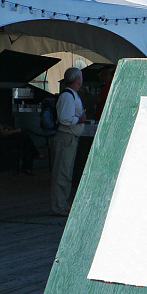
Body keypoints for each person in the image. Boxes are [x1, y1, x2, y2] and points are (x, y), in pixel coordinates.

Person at [50, 68, 85, 215]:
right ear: (77, 79)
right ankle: (58, 206)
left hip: (69, 138)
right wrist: (79, 119)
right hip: (66, 138)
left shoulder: (72, 95)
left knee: (66, 172)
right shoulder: (68, 96)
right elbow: (65, 118)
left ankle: (62, 203)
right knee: (62, 173)